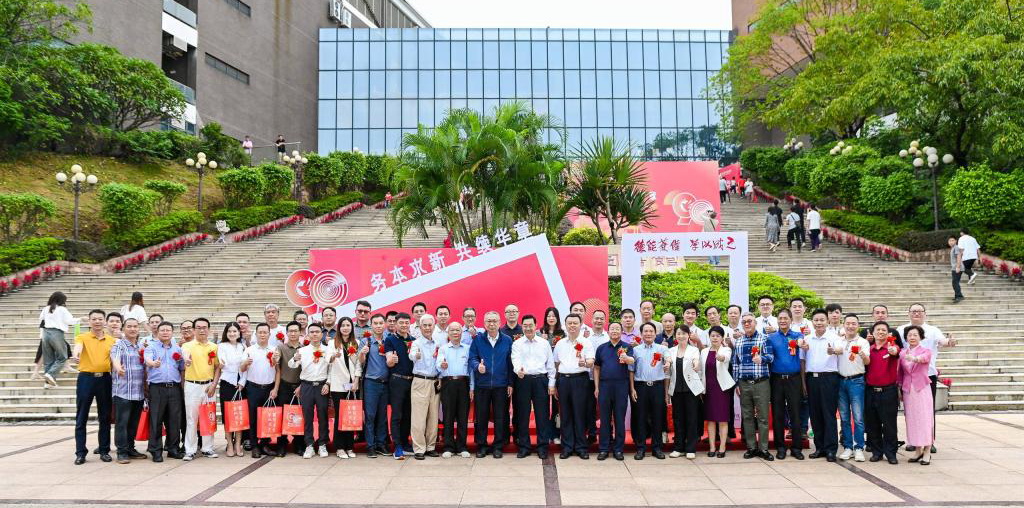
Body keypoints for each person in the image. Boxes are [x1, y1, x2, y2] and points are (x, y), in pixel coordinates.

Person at [897, 303, 955, 453]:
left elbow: (943, 341)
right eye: (913, 311)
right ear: (908, 313)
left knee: (927, 410)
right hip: (908, 376)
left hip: (927, 375)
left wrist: (949, 342)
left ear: (925, 313)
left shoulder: (933, 330)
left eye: (919, 311)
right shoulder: (901, 329)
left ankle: (929, 441)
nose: (916, 313)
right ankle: (914, 441)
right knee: (910, 410)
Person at [468, 311, 514, 458]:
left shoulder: (507, 340)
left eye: (494, 321)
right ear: (484, 323)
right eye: (488, 321)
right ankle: (481, 445)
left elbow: (511, 363)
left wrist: (510, 383)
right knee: (481, 416)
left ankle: (498, 446)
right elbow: (472, 358)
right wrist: (477, 366)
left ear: (499, 323)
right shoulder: (478, 340)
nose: (492, 324)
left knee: (501, 416)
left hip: (501, 385)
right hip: (482, 384)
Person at [72, 309, 114, 465]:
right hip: (86, 379)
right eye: (94, 319)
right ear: (89, 321)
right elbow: (78, 347)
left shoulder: (111, 340)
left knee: (105, 416)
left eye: (100, 319)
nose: (97, 321)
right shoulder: (82, 337)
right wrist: (76, 355)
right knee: (82, 415)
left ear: (105, 321)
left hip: (105, 379)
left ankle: (104, 450)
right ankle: (80, 453)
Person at [511, 314, 556, 459]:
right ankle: (524, 446)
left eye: (530, 325)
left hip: (540, 381)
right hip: (523, 380)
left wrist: (551, 383)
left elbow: (550, 365)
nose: (528, 328)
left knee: (542, 415)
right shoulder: (517, 343)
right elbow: (515, 359)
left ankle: (542, 447)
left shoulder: (544, 343)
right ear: (522, 327)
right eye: (525, 326)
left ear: (536, 326)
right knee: (522, 415)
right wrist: (518, 370)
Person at [553, 314, 596, 459]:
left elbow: (591, 361)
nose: (572, 325)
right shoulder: (560, 343)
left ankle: (581, 447)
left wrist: (586, 363)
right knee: (565, 415)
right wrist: (555, 383)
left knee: (580, 414)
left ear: (580, 324)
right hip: (563, 380)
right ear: (565, 325)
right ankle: (567, 447)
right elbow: (556, 364)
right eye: (569, 323)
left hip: (580, 380)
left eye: (575, 323)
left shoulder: (586, 342)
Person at [732, 312, 774, 460]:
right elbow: (735, 364)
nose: (747, 324)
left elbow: (771, 357)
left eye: (749, 321)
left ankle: (763, 449)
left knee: (763, 417)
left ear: (755, 323)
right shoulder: (738, 341)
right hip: (744, 383)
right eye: (744, 322)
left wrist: (761, 359)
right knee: (747, 416)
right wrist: (736, 383)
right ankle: (751, 447)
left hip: (761, 382)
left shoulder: (764, 338)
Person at [289, 323, 331, 459]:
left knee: (323, 416)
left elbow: (331, 369)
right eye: (312, 332)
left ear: (321, 334)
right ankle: (309, 445)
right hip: (306, 386)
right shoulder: (302, 351)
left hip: (322, 386)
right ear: (308, 334)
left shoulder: (327, 350)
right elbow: (292, 365)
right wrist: (294, 359)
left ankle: (323, 444)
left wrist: (328, 383)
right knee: (307, 416)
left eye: (317, 332)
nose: (314, 334)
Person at [767, 309, 805, 460]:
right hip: (776, 379)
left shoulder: (797, 335)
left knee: (795, 413)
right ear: (777, 320)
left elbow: (802, 342)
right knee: (778, 414)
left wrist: (801, 343)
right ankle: (780, 447)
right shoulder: (771, 338)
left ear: (791, 320)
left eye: (785, 318)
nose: (783, 321)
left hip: (794, 379)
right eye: (780, 318)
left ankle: (796, 448)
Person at [803, 309, 841, 461]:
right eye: (816, 320)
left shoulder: (834, 337)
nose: (819, 323)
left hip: (829, 379)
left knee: (829, 414)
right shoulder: (807, 339)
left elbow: (840, 350)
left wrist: (834, 351)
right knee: (815, 414)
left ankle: (831, 449)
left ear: (827, 321)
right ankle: (819, 447)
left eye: (822, 320)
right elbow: (802, 360)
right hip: (812, 379)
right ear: (812, 322)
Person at [145, 322, 185, 462]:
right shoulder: (151, 347)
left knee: (174, 420)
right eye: (162, 330)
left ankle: (173, 449)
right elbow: (147, 360)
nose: (165, 332)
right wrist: (153, 363)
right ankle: (156, 450)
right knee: (156, 419)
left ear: (172, 332)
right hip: (157, 388)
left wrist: (186, 362)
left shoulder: (177, 349)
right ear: (157, 332)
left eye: (168, 330)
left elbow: (181, 367)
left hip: (174, 387)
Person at [594, 322, 634, 461]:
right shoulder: (602, 348)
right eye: (612, 328)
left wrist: (627, 358)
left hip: (621, 386)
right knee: (604, 419)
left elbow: (631, 361)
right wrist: (597, 387)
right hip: (604, 386)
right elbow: (597, 368)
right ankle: (604, 449)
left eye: (617, 329)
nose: (615, 331)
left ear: (621, 331)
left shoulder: (627, 347)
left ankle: (618, 449)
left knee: (619, 419)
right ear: (608, 331)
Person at [181, 317, 220, 461]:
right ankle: (190, 450)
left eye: (204, 327)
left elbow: (217, 367)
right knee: (192, 419)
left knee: (208, 417)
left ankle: (207, 448)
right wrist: (187, 360)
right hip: (192, 385)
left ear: (208, 329)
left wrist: (214, 384)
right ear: (193, 330)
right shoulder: (187, 345)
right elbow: (185, 355)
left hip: (209, 386)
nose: (201, 330)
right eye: (198, 327)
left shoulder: (213, 347)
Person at [110, 318, 147, 463]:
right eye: (129, 326)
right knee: (122, 423)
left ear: (138, 329)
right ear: (123, 329)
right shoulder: (119, 345)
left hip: (138, 392)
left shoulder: (140, 347)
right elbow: (115, 358)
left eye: (135, 326)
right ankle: (121, 451)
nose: (132, 329)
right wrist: (118, 368)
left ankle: (130, 448)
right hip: (123, 392)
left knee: (133, 423)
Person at [630, 322, 669, 460]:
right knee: (640, 418)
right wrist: (632, 388)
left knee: (657, 417)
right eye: (645, 331)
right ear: (641, 334)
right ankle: (641, 448)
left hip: (657, 387)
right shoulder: (635, 350)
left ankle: (656, 448)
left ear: (655, 333)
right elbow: (631, 370)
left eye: (651, 331)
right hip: (640, 387)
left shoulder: (662, 348)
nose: (648, 333)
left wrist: (668, 362)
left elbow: (668, 361)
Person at [242, 323, 280, 459]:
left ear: (269, 334)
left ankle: (264, 444)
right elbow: (241, 369)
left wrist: (275, 388)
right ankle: (255, 446)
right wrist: (245, 363)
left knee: (267, 418)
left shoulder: (274, 350)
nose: (262, 335)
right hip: (253, 388)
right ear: (256, 334)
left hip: (269, 388)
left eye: (265, 332)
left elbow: (278, 371)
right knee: (253, 419)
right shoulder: (249, 350)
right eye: (260, 332)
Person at [864, 321, 900, 464]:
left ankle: (891, 453)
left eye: (883, 330)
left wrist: (893, 350)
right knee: (873, 424)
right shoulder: (869, 349)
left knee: (889, 424)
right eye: (878, 330)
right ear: (872, 333)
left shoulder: (892, 347)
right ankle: (876, 452)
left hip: (888, 392)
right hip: (871, 391)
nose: (880, 332)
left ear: (888, 333)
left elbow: (896, 351)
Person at [837, 313, 870, 462]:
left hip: (856, 381)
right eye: (848, 323)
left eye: (853, 323)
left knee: (858, 417)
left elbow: (867, 362)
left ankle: (859, 447)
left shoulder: (863, 342)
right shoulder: (838, 341)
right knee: (844, 417)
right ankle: (848, 447)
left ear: (858, 326)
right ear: (843, 325)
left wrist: (863, 355)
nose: (850, 326)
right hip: (840, 381)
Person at [899, 325, 934, 465]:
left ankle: (927, 450)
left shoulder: (926, 351)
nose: (912, 337)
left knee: (925, 418)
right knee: (912, 419)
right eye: (909, 335)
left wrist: (914, 358)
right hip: (908, 389)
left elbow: (924, 359)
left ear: (920, 337)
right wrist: (899, 388)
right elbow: (900, 373)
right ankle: (918, 449)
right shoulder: (902, 353)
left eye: (915, 335)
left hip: (922, 388)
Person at [667, 325, 704, 459]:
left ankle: (691, 448)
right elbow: (668, 364)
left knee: (692, 419)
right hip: (676, 389)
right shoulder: (671, 351)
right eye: (678, 333)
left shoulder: (694, 350)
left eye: (684, 333)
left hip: (691, 390)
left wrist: (696, 364)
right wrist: (667, 364)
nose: (681, 336)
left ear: (688, 335)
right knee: (678, 419)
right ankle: (678, 447)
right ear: (675, 336)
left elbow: (696, 361)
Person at [409, 315, 442, 460]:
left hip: (435, 382)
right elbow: (412, 355)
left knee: (433, 417)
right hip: (420, 381)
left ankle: (430, 447)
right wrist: (415, 355)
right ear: (420, 327)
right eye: (425, 325)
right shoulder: (416, 343)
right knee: (419, 417)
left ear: (434, 326)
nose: (428, 328)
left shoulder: (438, 343)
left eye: (430, 325)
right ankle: (419, 448)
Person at [437, 321, 472, 458]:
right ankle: (449, 447)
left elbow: (471, 370)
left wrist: (472, 387)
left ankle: (462, 446)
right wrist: (442, 365)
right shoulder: (443, 348)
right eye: (452, 330)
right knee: (448, 416)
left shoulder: (467, 348)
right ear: (448, 332)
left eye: (458, 330)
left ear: (461, 333)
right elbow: (438, 364)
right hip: (448, 383)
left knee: (463, 416)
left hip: (464, 383)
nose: (455, 332)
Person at [384, 313, 415, 459]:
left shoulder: (414, 340)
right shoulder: (390, 339)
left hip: (412, 381)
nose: (404, 325)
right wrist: (392, 360)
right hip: (397, 380)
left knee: (408, 414)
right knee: (397, 414)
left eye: (406, 323)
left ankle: (405, 442)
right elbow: (389, 362)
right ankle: (397, 446)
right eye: (401, 323)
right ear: (396, 324)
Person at [329, 317, 360, 459]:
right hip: (338, 385)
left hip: (352, 385)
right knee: (340, 416)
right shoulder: (333, 343)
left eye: (348, 325)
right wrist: (333, 356)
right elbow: (327, 360)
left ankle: (350, 447)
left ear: (352, 327)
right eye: (343, 325)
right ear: (339, 328)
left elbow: (358, 364)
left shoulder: (356, 342)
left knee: (350, 416)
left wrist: (356, 381)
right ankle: (339, 447)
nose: (345, 328)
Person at [701, 326, 734, 458]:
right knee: (710, 420)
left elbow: (725, 358)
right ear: (709, 337)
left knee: (722, 419)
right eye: (712, 335)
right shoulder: (704, 351)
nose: (715, 338)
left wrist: (720, 357)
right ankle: (712, 447)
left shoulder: (726, 349)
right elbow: (701, 370)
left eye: (718, 336)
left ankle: (722, 447)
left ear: (722, 338)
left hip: (721, 388)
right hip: (708, 388)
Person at [360, 314, 390, 458]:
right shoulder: (366, 341)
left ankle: (381, 444)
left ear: (385, 324)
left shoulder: (389, 341)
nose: (378, 326)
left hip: (386, 383)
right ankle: (370, 445)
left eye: (380, 323)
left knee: (383, 416)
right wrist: (362, 354)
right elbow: (360, 362)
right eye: (375, 323)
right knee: (370, 416)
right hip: (370, 383)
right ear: (371, 325)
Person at [217, 322, 248, 457]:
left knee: (239, 415)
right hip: (227, 383)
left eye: (235, 331)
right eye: (229, 331)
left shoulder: (243, 346)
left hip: (240, 384)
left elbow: (246, 366)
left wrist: (242, 382)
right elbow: (222, 361)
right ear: (226, 333)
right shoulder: (222, 346)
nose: (232, 333)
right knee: (228, 415)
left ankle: (238, 444)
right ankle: (229, 443)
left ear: (239, 333)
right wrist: (223, 362)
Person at [37, 291, 79, 387]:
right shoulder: (62, 309)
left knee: (48, 359)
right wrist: (81, 319)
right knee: (62, 357)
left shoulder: (45, 309)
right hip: (56, 333)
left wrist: (41, 335)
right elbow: (69, 321)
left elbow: (41, 321)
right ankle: (50, 374)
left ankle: (48, 383)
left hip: (45, 334)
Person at [275, 321, 303, 456]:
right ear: (286, 333)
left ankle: (299, 444)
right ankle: (281, 445)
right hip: (284, 386)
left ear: (300, 333)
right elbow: (276, 363)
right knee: (282, 416)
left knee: (299, 416)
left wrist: (301, 386)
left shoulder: (304, 348)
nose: (293, 333)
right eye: (290, 331)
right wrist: (274, 358)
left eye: (295, 331)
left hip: (300, 387)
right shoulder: (280, 347)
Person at [949, 237, 965, 302]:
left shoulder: (956, 247)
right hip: (955, 267)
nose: (951, 242)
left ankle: (959, 296)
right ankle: (957, 296)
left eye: (952, 240)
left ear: (956, 241)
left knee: (955, 282)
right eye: (950, 241)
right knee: (955, 282)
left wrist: (958, 267)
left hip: (957, 268)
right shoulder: (953, 248)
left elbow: (959, 257)